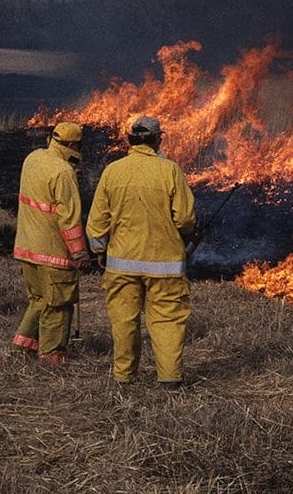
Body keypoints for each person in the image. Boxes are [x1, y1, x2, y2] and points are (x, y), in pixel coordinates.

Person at [87, 116, 196, 385]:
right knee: (167, 321)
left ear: (131, 141)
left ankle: (124, 377)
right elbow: (184, 218)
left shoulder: (113, 171)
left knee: (123, 321)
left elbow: (97, 220)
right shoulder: (170, 170)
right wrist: (186, 236)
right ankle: (170, 378)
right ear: (157, 140)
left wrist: (100, 249)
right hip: (165, 264)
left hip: (122, 264)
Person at [11, 121, 91, 364]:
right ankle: (51, 359)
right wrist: (79, 254)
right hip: (53, 254)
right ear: (73, 145)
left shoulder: (33, 158)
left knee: (39, 301)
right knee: (58, 305)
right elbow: (69, 220)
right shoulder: (63, 173)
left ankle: (23, 346)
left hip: (27, 248)